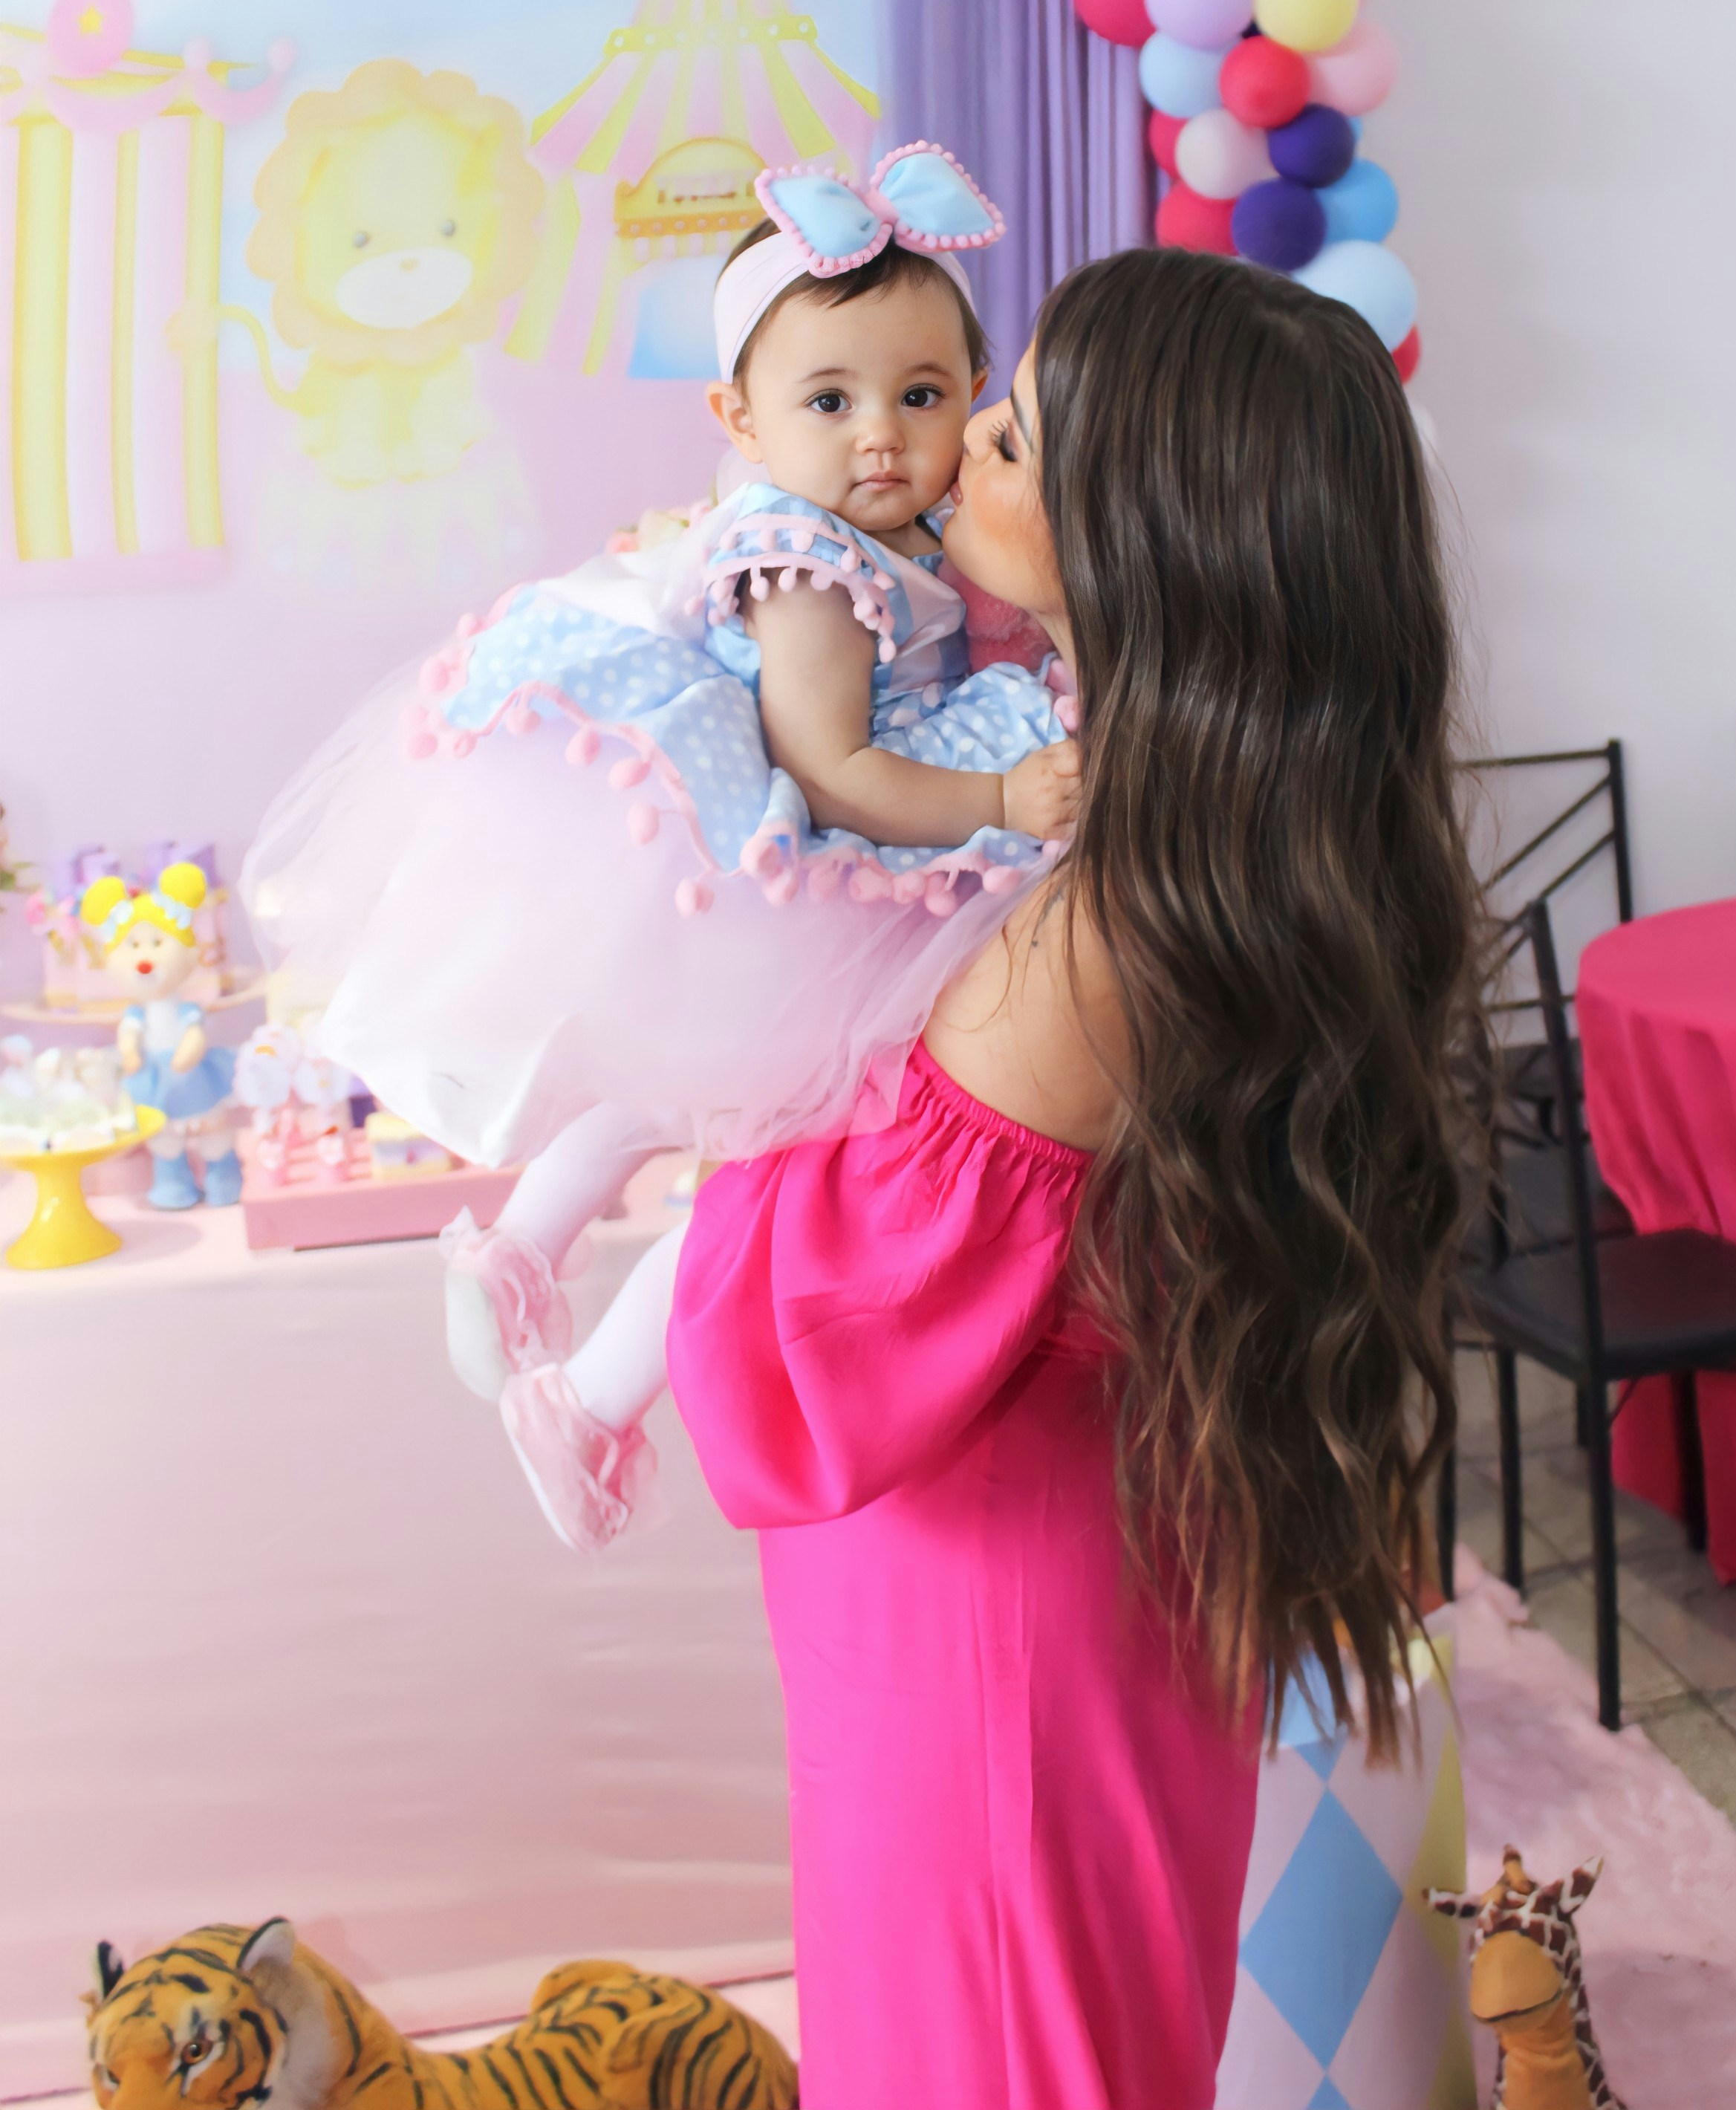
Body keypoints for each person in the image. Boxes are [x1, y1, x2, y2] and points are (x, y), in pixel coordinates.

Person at [668, 244, 1480, 2110]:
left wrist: (710, 1067)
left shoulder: (1097, 924)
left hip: (988, 1629)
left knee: (999, 2049)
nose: (950, 449)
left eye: (1010, 434)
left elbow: (805, 1358)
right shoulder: (1224, 833)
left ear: (1143, 534)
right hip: (1098, 1555)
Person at [243, 144, 1079, 1549]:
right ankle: (581, 1390)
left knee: (686, 1105)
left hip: (811, 872)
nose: (882, 437)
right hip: (812, 871)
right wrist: (999, 798)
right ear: (739, 417)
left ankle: (523, 1254)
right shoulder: (812, 568)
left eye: (924, 397)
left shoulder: (877, 526)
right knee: (769, 1154)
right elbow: (832, 771)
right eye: (830, 401)